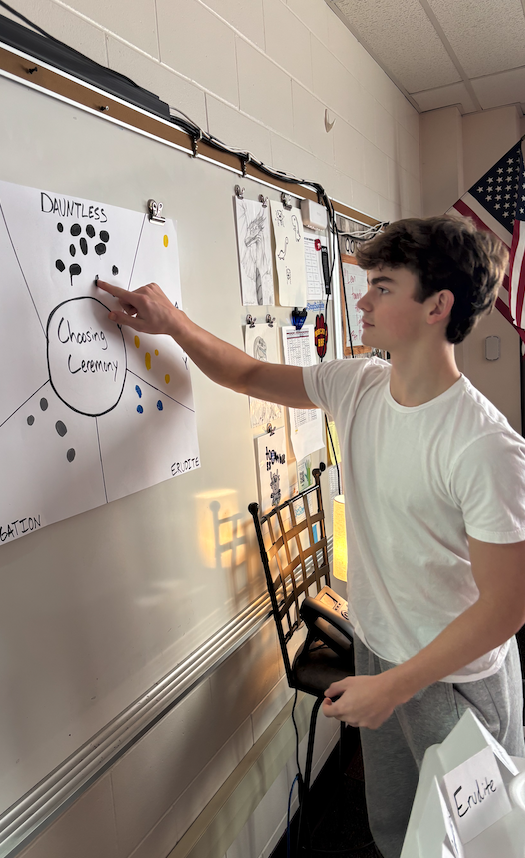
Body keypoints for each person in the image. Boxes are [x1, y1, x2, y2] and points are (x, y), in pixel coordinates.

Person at [97, 215, 525, 858]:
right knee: (396, 833)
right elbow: (246, 375)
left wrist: (397, 684)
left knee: (473, 845)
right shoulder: (358, 386)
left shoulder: (484, 445)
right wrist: (172, 323)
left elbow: (506, 607)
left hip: (450, 680)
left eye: (383, 287)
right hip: (380, 652)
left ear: (438, 306)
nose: (362, 300)